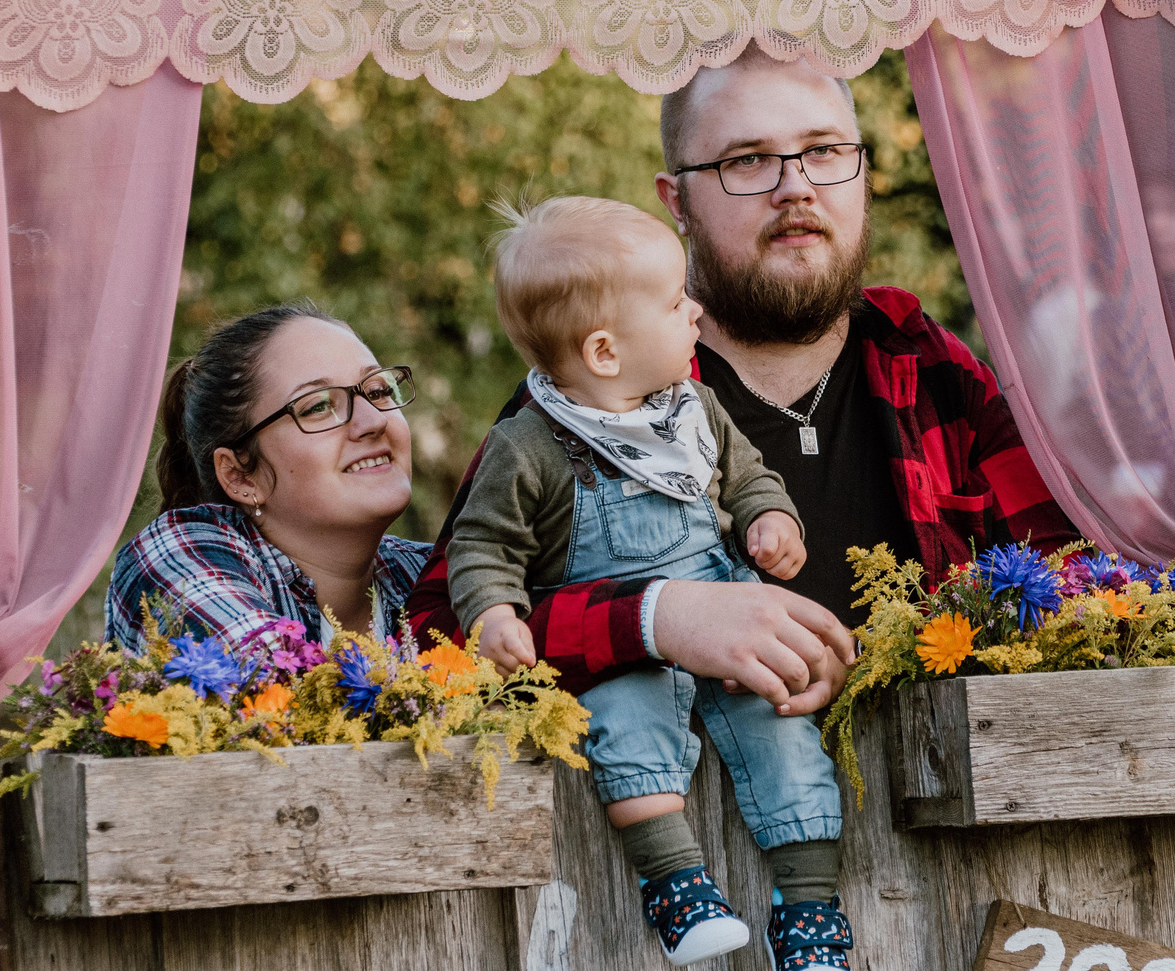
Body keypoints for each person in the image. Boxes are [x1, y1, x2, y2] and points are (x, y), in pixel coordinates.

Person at [406, 44, 1074, 726]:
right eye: (747, 160)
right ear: (678, 201)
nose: (796, 187)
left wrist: (877, 660)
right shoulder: (588, 402)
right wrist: (657, 617)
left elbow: (1074, 592)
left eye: (824, 150)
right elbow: (432, 639)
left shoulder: (933, 371)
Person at [450, 196, 848, 967]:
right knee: (625, 731)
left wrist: (772, 520)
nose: (695, 310)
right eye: (674, 302)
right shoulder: (527, 445)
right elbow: (483, 544)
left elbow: (748, 476)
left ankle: (808, 908)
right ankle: (677, 887)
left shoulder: (694, 409)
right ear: (604, 351)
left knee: (785, 729)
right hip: (621, 646)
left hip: (725, 612)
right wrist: (494, 611)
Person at [109, 302, 429, 659]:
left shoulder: (439, 575)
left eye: (378, 391)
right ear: (240, 476)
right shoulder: (177, 558)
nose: (374, 420)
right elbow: (267, 686)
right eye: (318, 406)